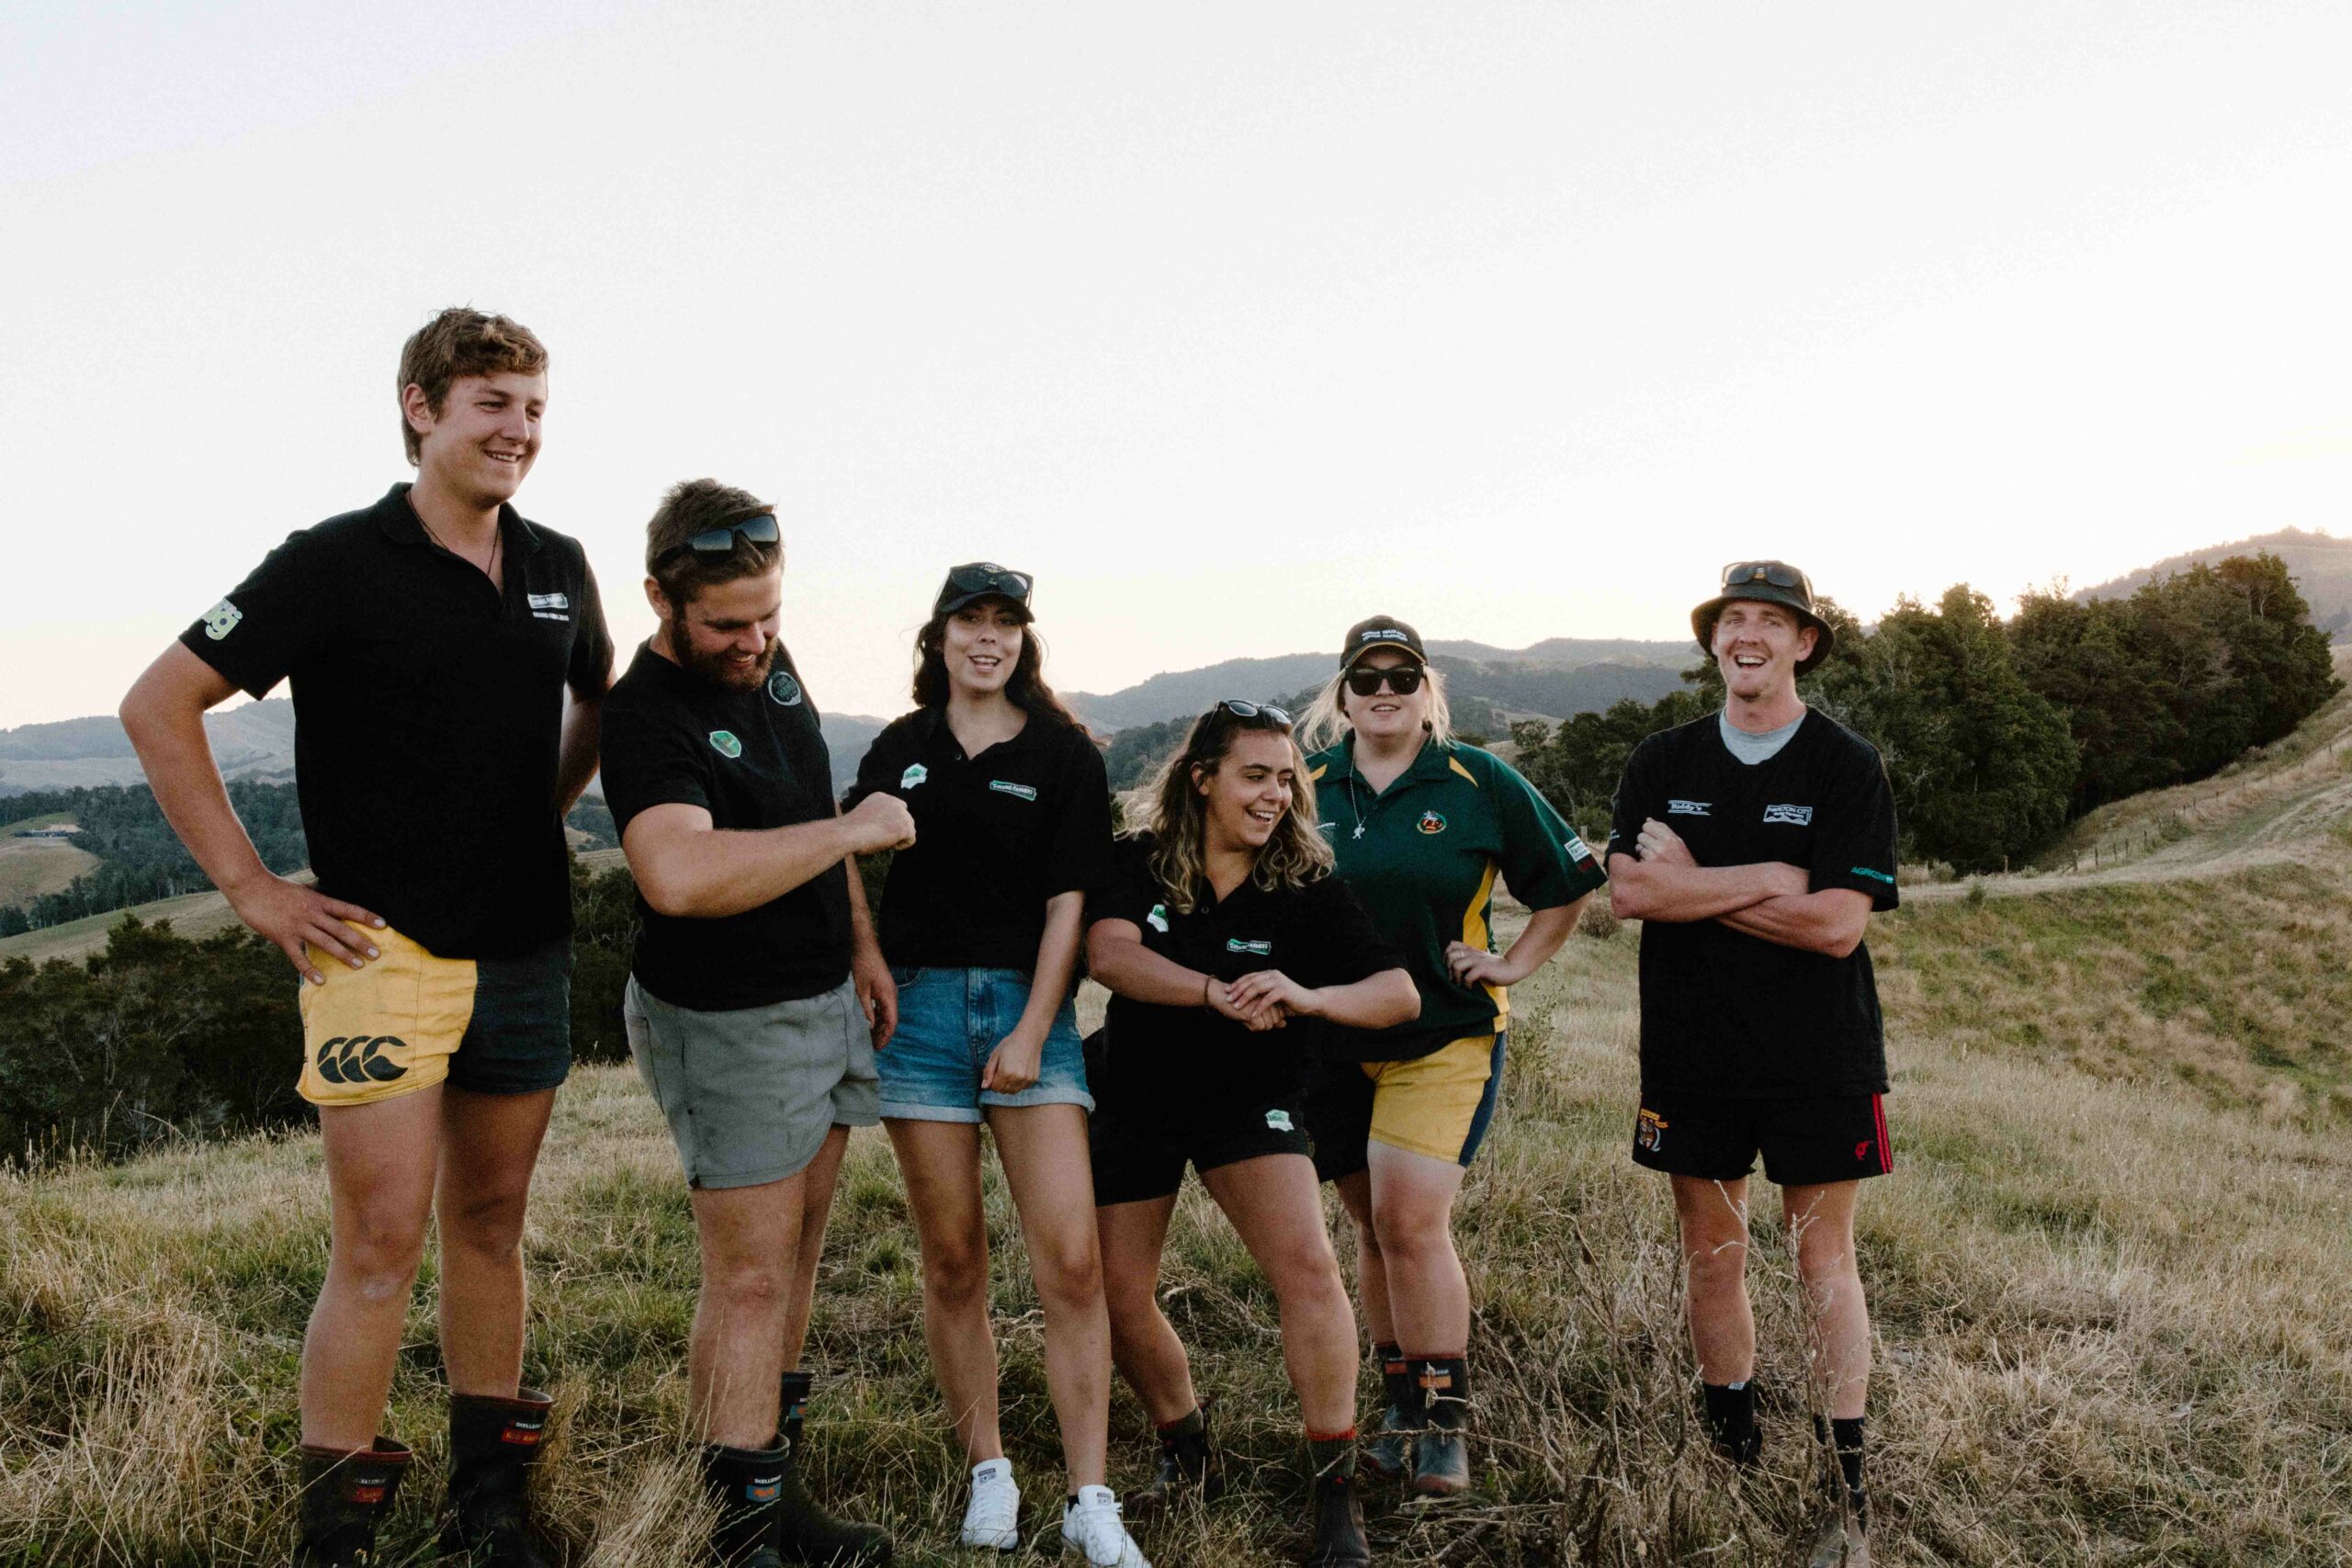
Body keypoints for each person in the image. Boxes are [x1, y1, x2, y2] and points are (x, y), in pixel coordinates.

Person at [118, 309, 610, 1566]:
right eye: (493, 402)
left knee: (491, 1221)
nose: (519, 430)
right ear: (420, 406)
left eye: (536, 407)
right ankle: (331, 1537)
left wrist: (533, 814)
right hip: (376, 950)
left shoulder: (559, 560)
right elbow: (159, 701)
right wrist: (251, 886)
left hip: (525, 942)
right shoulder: (335, 559)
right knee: (382, 1240)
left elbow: (600, 702)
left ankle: (487, 1509)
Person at [600, 479, 905, 1567]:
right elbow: (676, 874)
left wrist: (859, 945)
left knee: (797, 1260)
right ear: (659, 600)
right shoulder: (643, 717)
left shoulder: (769, 667)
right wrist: (857, 836)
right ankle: (738, 1535)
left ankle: (764, 1494)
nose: (757, 641)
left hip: (821, 996)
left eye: (770, 614)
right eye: (729, 624)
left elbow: (807, 812)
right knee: (747, 1276)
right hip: (727, 1020)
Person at [842, 564, 1148, 1567]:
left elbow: (1070, 900)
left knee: (1069, 1262)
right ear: (937, 636)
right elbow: (845, 846)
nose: (988, 637)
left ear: (1025, 638)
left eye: (1005, 622)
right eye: (970, 620)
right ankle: (990, 1473)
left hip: (1029, 1010)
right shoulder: (903, 746)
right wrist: (868, 958)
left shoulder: (1062, 752)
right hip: (919, 1017)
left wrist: (1035, 1026)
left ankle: (1089, 1497)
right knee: (953, 1261)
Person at [1604, 561, 1898, 1568]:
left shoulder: (1842, 764)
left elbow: (1834, 929)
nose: (1748, 636)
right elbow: (1632, 897)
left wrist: (1699, 881)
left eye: (1769, 621)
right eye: (1733, 618)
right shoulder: (1661, 759)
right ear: (1713, 639)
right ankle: (1731, 1438)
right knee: (1711, 1251)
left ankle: (1844, 1465)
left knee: (1823, 1254)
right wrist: (1766, 877)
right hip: (1693, 1054)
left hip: (1818, 1055)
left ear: (1802, 642)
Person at [1086, 700, 1419, 1568]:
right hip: (1133, 1091)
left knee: (1307, 1268)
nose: (1275, 795)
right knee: (1116, 1294)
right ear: (1202, 778)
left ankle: (1335, 1492)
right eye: (1255, 775)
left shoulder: (1305, 884)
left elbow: (1397, 994)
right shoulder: (1138, 861)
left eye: (1286, 778)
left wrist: (1308, 996)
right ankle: (1186, 1444)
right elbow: (1110, 955)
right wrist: (1212, 992)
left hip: (1252, 1099)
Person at [1295, 617, 1605, 1496]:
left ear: (1428, 687)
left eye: (1402, 676)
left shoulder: (1479, 779)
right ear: (1343, 693)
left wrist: (1511, 963)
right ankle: (1397, 1409)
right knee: (1367, 1228)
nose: (1384, 691)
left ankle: (1444, 1420)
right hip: (1329, 1039)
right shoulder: (1305, 783)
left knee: (1410, 1221)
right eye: (1367, 678)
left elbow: (1568, 880)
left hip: (1445, 1032)